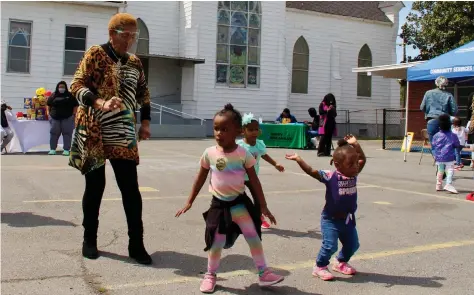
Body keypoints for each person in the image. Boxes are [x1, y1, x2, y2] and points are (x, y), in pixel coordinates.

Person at [69, 13, 153, 264]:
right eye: (125, 35)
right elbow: (76, 85)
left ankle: (136, 244)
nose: (129, 40)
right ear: (112, 33)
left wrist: (146, 123)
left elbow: (144, 95)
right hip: (93, 126)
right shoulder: (96, 53)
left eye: (133, 36)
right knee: (95, 186)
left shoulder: (135, 63)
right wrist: (100, 102)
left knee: (130, 188)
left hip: (123, 130)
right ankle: (89, 239)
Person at [175, 104, 284, 293]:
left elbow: (255, 181)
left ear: (238, 131)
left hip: (239, 204)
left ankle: (264, 273)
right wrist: (189, 201)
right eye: (216, 128)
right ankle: (210, 275)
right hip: (219, 205)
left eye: (224, 129)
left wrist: (263, 206)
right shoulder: (209, 153)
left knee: (254, 238)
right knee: (215, 243)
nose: (219, 133)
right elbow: (200, 177)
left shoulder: (244, 154)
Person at [285, 134, 366, 281]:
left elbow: (362, 160)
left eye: (356, 164)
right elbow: (312, 171)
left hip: (347, 220)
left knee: (353, 245)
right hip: (330, 219)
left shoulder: (353, 175)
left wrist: (356, 145)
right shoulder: (330, 176)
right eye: (351, 164)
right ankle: (319, 266)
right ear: (337, 165)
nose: (356, 166)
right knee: (330, 245)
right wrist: (299, 159)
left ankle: (340, 262)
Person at [237, 112, 285, 229]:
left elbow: (264, 155)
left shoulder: (259, 144)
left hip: (253, 178)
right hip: (239, 178)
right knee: (238, 200)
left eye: (256, 129)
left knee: (258, 199)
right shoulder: (239, 145)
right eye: (251, 129)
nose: (254, 132)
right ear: (244, 131)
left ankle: (258, 218)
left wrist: (275, 164)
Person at [420, 76, 458, 148]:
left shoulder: (428, 93)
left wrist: (428, 112)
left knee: (434, 145)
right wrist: (449, 114)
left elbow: (422, 107)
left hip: (432, 119)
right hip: (445, 121)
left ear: (436, 83)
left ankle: (436, 158)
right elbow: (454, 110)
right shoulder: (449, 95)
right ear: (446, 84)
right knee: (446, 144)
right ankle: (444, 158)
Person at [47, 81, 79, 156]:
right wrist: (48, 114)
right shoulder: (53, 95)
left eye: (63, 87)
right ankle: (52, 149)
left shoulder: (70, 95)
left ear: (65, 88)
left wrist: (74, 114)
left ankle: (66, 150)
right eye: (60, 87)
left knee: (67, 134)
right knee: (54, 134)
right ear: (57, 87)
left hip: (67, 118)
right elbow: (48, 105)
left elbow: (76, 105)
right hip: (55, 118)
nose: (61, 88)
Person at [432, 114, 460, 194]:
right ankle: (448, 184)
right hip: (449, 156)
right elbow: (457, 144)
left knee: (440, 170)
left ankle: (438, 184)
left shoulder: (436, 135)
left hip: (438, 156)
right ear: (449, 125)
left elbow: (433, 145)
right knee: (450, 170)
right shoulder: (452, 135)